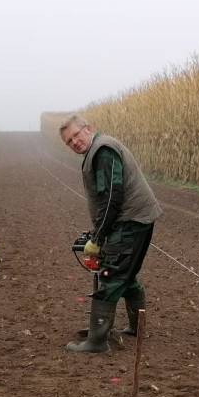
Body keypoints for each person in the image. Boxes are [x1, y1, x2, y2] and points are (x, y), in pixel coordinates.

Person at [59, 114, 161, 353]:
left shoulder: (103, 151)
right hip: (137, 218)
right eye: (69, 141)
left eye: (76, 135)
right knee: (127, 275)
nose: (74, 142)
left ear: (88, 129)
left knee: (111, 275)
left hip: (130, 220)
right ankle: (137, 328)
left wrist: (98, 239)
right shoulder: (98, 150)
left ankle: (97, 342)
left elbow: (111, 196)